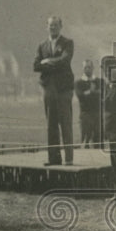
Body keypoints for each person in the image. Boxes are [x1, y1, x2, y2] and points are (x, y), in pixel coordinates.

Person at [33, 15, 75, 165]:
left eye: (55, 25)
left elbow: (65, 60)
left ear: (61, 27)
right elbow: (35, 66)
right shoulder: (42, 46)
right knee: (51, 125)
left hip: (64, 89)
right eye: (50, 25)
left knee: (66, 124)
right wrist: (47, 63)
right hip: (49, 89)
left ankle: (69, 158)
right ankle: (54, 158)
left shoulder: (67, 43)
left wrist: (48, 61)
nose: (53, 28)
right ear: (47, 27)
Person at [74, 58, 103, 149]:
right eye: (85, 67)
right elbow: (80, 96)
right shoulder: (78, 83)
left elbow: (103, 95)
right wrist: (93, 92)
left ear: (93, 68)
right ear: (82, 69)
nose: (87, 69)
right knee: (85, 140)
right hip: (85, 114)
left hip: (97, 114)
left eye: (89, 67)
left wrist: (88, 93)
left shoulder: (99, 81)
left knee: (99, 141)